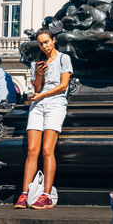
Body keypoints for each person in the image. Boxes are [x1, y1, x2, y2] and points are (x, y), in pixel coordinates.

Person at [15, 29, 72, 209]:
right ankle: (24, 194)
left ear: (53, 40)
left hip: (55, 104)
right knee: (32, 150)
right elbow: (37, 87)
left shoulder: (63, 58)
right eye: (41, 43)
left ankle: (46, 195)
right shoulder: (36, 63)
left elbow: (63, 86)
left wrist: (42, 95)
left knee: (47, 150)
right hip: (38, 106)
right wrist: (39, 74)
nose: (44, 46)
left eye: (47, 42)